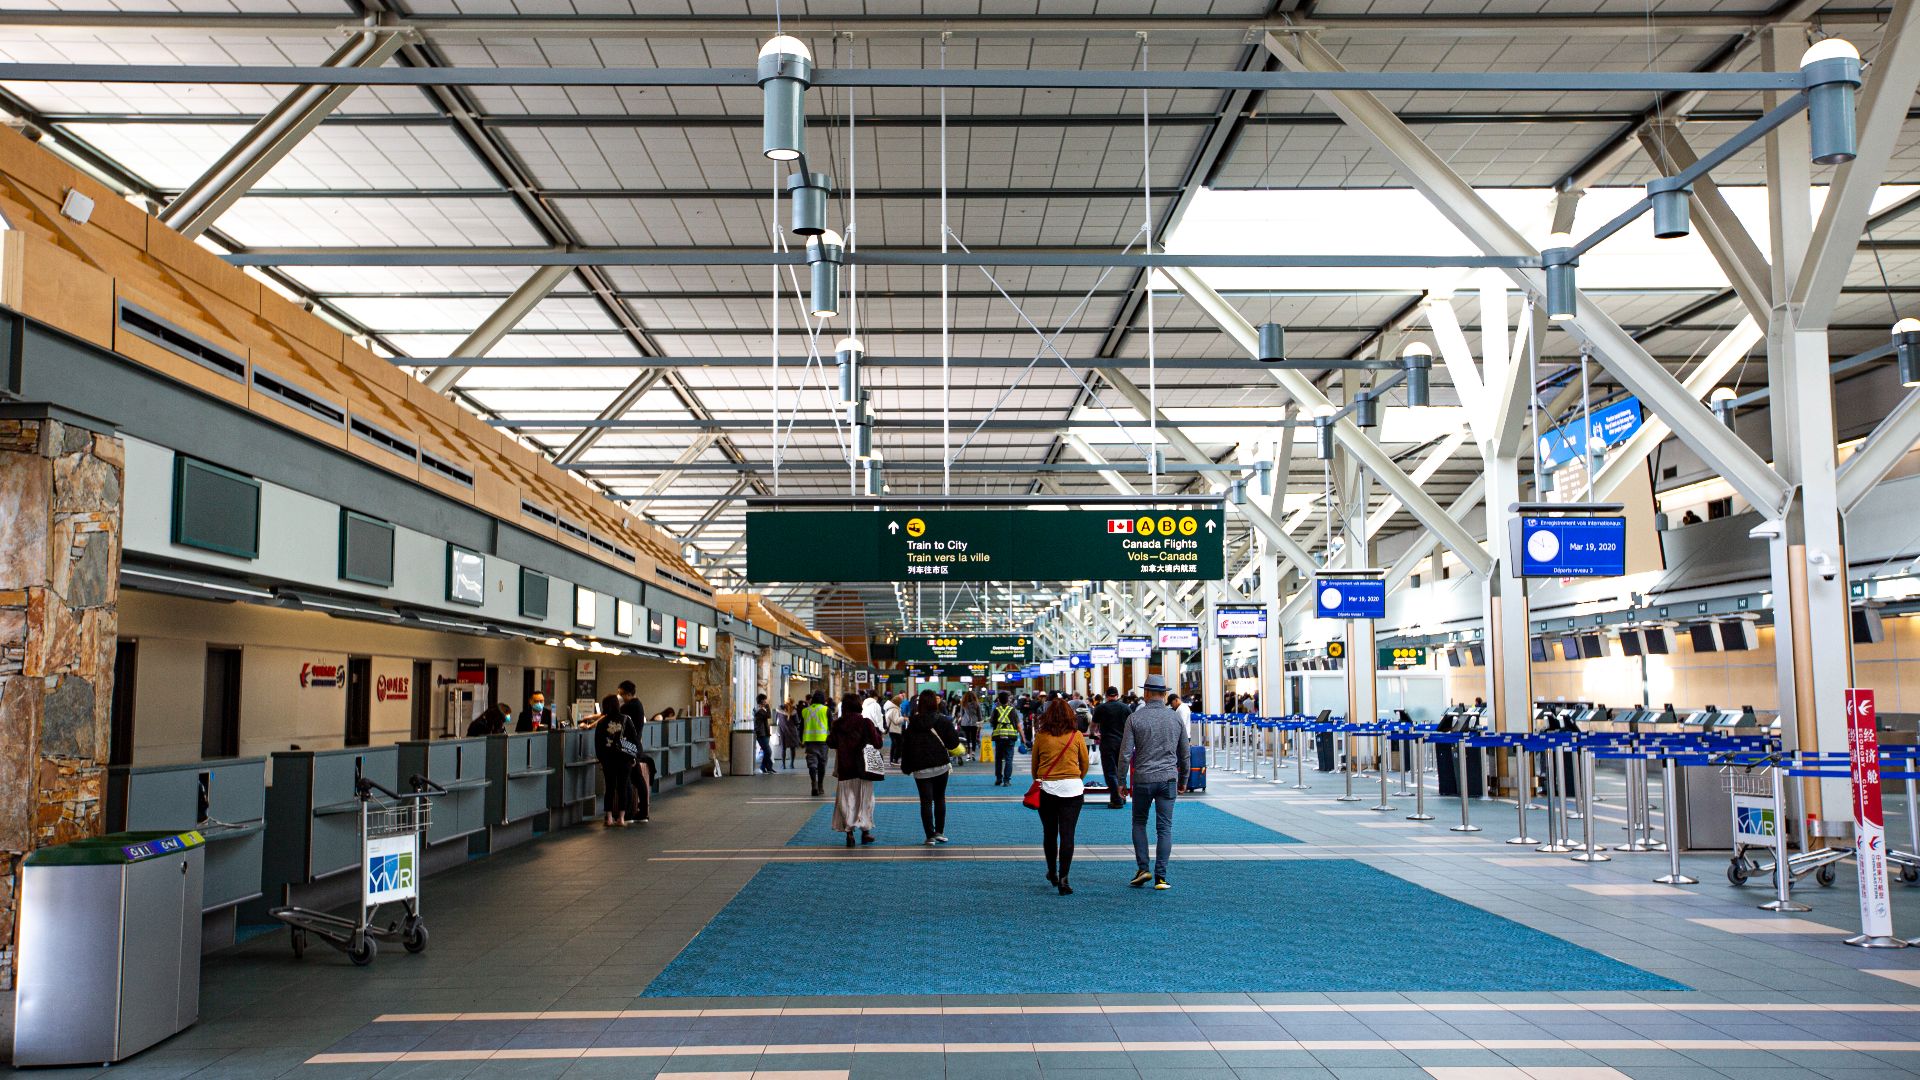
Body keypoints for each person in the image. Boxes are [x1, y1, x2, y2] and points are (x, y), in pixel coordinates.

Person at [1120, 674, 1190, 890]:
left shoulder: (1135, 718)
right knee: (1164, 828)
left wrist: (1121, 781)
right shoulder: (1175, 717)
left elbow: (1124, 754)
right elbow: (1185, 752)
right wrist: (1184, 778)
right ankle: (1161, 876)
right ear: (1165, 694)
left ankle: (1143, 868)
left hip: (1142, 779)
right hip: (1168, 778)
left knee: (1139, 823)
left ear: (1146, 693)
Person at [1031, 697, 1090, 895]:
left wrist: (1044, 779)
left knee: (1049, 833)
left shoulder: (1041, 736)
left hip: (1047, 790)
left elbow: (1035, 767)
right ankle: (1064, 879)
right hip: (1072, 790)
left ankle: (1052, 872)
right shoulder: (1077, 735)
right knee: (1068, 835)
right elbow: (1084, 763)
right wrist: (1074, 778)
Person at [900, 689, 961, 844]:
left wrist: (906, 766)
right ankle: (940, 832)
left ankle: (929, 836)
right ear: (935, 702)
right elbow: (953, 743)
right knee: (940, 798)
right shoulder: (944, 721)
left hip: (920, 768)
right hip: (941, 765)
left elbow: (906, 746)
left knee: (925, 801)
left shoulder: (913, 722)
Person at [827, 692, 882, 846]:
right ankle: (865, 832)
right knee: (865, 800)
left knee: (846, 801)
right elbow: (878, 743)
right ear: (859, 705)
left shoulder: (837, 724)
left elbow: (831, 742)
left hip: (845, 769)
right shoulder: (866, 723)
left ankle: (849, 833)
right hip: (863, 768)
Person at [591, 682, 639, 827]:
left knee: (610, 788)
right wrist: (633, 757)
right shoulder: (626, 720)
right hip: (624, 759)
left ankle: (609, 817)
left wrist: (601, 759)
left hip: (608, 760)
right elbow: (634, 739)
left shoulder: (602, 722)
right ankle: (622, 818)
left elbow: (598, 743)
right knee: (623, 787)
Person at [1092, 685, 1132, 810]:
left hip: (1108, 743)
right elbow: (1132, 725)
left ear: (1106, 695)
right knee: (1122, 771)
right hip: (1123, 744)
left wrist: (1095, 734)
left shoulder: (1101, 708)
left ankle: (1117, 799)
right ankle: (1123, 795)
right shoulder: (1126, 708)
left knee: (1110, 772)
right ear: (1117, 695)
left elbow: (1093, 725)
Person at [623, 695, 654, 823]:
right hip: (636, 747)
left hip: (628, 748)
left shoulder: (628, 708)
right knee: (638, 779)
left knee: (629, 779)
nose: (622, 697)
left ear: (627, 694)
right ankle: (642, 812)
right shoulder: (638, 705)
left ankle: (629, 813)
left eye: (622, 694)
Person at [801, 691, 832, 796]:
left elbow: (801, 727)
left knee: (812, 763)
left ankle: (813, 783)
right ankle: (820, 785)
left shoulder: (805, 711)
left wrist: (801, 740)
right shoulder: (826, 710)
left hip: (809, 741)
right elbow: (831, 726)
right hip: (823, 741)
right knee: (822, 764)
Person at [989, 692, 1021, 786]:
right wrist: (1022, 737)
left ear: (998, 700)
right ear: (1008, 700)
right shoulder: (1012, 710)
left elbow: (991, 722)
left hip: (999, 737)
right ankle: (1006, 781)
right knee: (1009, 759)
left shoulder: (996, 710)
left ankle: (998, 779)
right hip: (1010, 737)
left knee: (998, 758)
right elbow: (1017, 724)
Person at [956, 691, 984, 758]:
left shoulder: (963, 704)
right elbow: (979, 715)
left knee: (967, 738)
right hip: (974, 723)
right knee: (974, 738)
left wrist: (959, 720)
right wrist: (980, 723)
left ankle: (968, 753)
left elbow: (961, 714)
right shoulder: (977, 704)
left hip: (965, 723)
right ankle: (973, 753)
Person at [753, 693, 775, 774]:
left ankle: (766, 767)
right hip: (761, 734)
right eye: (765, 699)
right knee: (768, 751)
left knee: (767, 751)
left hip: (764, 733)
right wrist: (768, 706)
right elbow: (768, 715)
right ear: (761, 700)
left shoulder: (760, 709)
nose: (766, 701)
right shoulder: (759, 710)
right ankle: (765, 767)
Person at [777, 700, 802, 770]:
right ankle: (791, 764)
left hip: (782, 731)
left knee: (783, 749)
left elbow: (777, 720)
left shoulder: (779, 711)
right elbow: (797, 722)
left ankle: (783, 765)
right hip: (792, 731)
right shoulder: (793, 711)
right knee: (792, 748)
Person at [884, 692, 906, 763]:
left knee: (894, 745)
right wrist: (903, 718)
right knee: (899, 745)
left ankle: (892, 760)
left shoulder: (890, 708)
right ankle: (895, 759)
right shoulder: (895, 709)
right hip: (895, 729)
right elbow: (896, 721)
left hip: (891, 729)